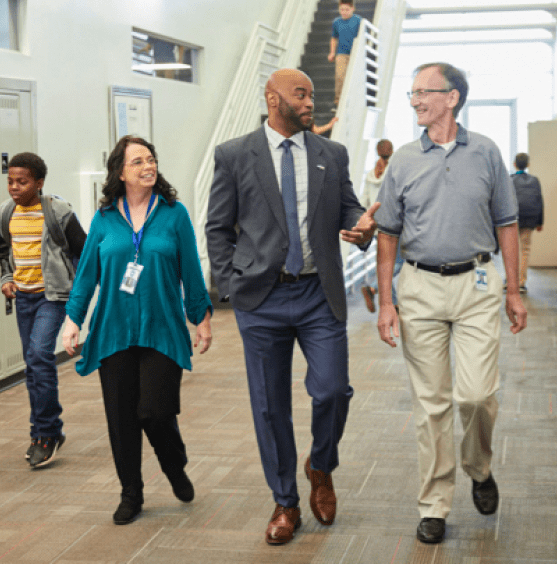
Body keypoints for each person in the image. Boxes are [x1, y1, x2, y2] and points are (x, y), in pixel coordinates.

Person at [206, 68, 378, 545]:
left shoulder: (331, 154)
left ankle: (320, 465)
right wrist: (231, 285)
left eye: (312, 94)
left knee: (332, 391)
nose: (309, 102)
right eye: (300, 94)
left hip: (317, 293)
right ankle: (285, 501)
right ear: (272, 96)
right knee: (269, 406)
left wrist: (360, 228)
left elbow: (347, 208)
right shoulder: (235, 155)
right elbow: (217, 227)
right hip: (260, 298)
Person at [374, 62, 528, 544]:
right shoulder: (401, 160)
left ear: (453, 97)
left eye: (425, 91)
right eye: (413, 93)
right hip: (419, 287)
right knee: (431, 403)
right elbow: (387, 236)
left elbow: (506, 223)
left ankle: (478, 467)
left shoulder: (485, 152)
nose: (417, 100)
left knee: (477, 394)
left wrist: (514, 290)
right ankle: (435, 503)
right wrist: (386, 302)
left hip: (478, 284)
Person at [62, 135, 213, 525]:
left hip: (162, 329)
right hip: (113, 331)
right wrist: (72, 319)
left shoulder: (174, 214)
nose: (149, 166)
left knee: (155, 412)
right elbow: (87, 277)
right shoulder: (104, 219)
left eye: (152, 159)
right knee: (121, 418)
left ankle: (174, 464)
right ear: (121, 172)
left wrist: (202, 317)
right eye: (138, 161)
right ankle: (131, 492)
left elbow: (191, 271)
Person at [0, 152, 86, 468]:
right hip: (25, 299)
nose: (15, 187)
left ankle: (45, 433)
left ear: (39, 182)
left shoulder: (57, 212)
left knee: (39, 356)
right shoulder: (4, 214)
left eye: (22, 181)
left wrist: (76, 292)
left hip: (53, 296)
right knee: (32, 366)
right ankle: (45, 432)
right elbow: (3, 253)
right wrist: (7, 279)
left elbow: (83, 251)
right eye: (10, 181)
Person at [359, 139, 402, 312]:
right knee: (399, 262)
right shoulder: (396, 172)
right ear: (392, 150)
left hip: (378, 228)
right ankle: (373, 288)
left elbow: (364, 201)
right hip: (396, 226)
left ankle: (394, 303)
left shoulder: (371, 175)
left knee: (386, 263)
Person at [511, 152, 544, 293]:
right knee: (525, 250)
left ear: (514, 164)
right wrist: (540, 222)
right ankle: (521, 282)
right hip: (530, 218)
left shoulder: (510, 179)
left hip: (512, 218)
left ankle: (510, 281)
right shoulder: (535, 180)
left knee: (511, 250)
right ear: (528, 165)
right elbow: (540, 201)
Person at [328, 0, 362, 111]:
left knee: (353, 78)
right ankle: (338, 103)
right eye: (342, 9)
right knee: (340, 77)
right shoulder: (336, 22)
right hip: (341, 53)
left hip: (355, 53)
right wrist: (332, 52)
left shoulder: (358, 20)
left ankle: (353, 102)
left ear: (352, 9)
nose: (344, 12)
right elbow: (334, 38)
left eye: (347, 9)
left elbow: (362, 37)